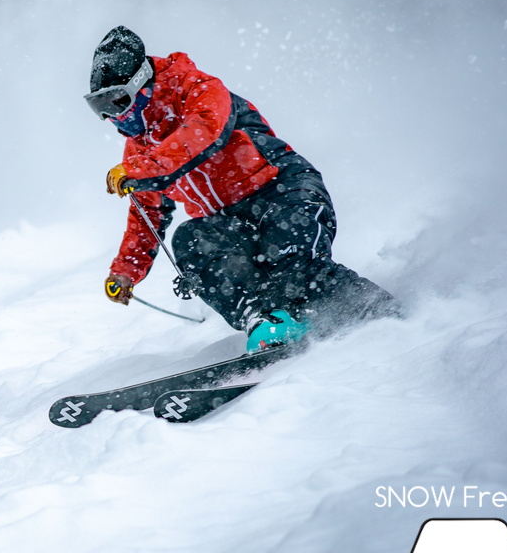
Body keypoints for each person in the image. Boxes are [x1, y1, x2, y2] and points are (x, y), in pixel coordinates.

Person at [84, 25, 399, 351]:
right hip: (230, 224)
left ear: (141, 84)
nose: (112, 116)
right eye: (100, 107)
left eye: (116, 100)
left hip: (282, 193)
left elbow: (203, 131)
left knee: (293, 272)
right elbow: (146, 213)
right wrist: (125, 273)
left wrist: (142, 169)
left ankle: (385, 317)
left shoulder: (197, 89)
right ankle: (263, 320)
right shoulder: (139, 150)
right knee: (190, 241)